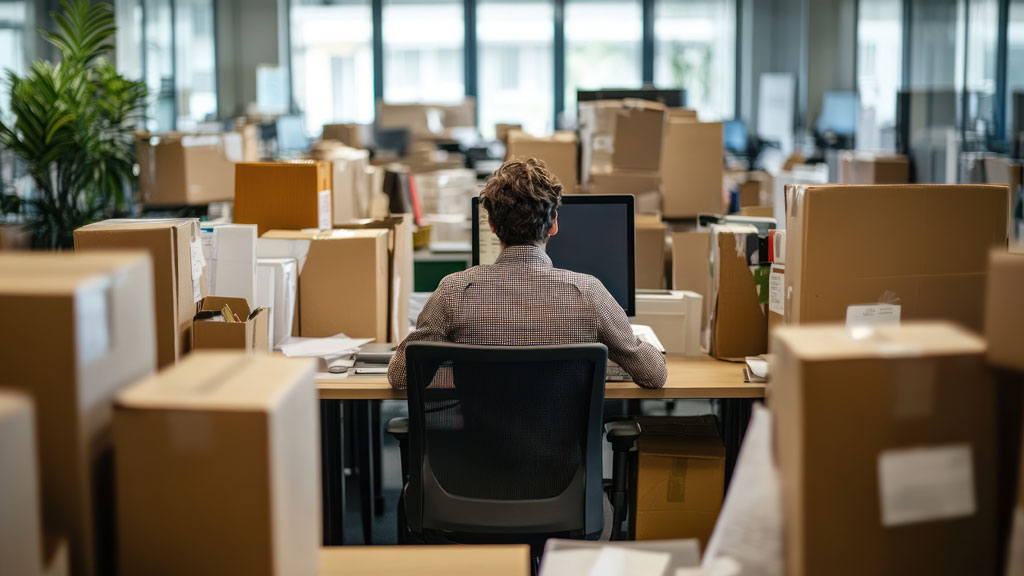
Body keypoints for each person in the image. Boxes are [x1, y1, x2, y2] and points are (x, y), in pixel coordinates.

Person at [387, 157, 667, 390]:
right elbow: (654, 375)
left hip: (474, 454)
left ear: (491, 225)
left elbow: (400, 376)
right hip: (564, 458)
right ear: (554, 224)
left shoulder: (454, 291)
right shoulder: (589, 293)